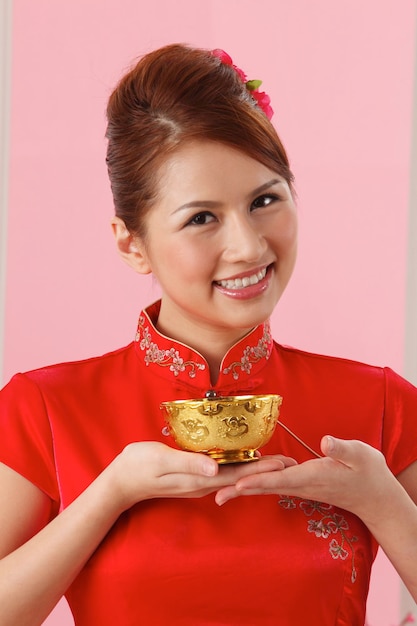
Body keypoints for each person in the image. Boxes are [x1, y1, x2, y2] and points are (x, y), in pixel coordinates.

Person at [0, 43, 416, 626]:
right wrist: (111, 493)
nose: (248, 246)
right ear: (131, 243)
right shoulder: (43, 410)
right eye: (201, 217)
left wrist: (384, 504)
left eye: (265, 200)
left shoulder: (379, 404)